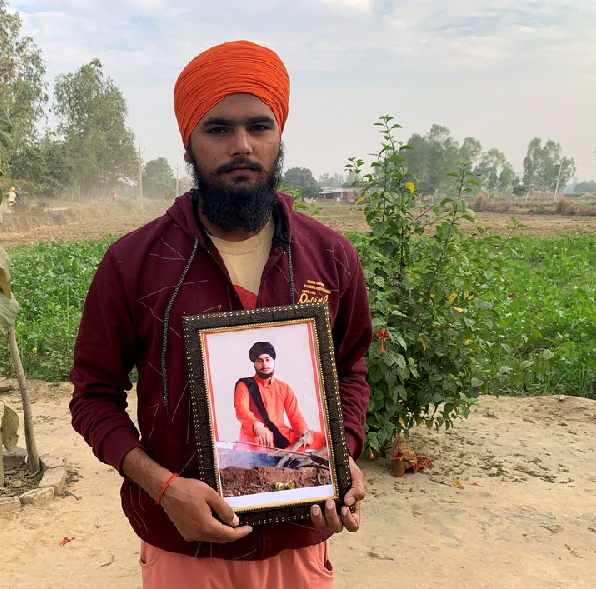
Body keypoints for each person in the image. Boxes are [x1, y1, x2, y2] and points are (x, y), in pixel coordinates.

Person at [70, 40, 372, 587]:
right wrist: (163, 488)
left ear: (279, 136)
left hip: (298, 543)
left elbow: (350, 371)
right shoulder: (134, 263)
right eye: (218, 129)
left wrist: (341, 454)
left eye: (259, 127)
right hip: (185, 547)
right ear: (188, 143)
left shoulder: (330, 256)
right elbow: (93, 399)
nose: (241, 145)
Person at [234, 341, 323, 452]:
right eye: (259, 361)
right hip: (257, 435)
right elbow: (241, 410)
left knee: (323, 439)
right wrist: (257, 426)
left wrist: (304, 432)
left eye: (267, 360)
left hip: (282, 434)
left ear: (274, 361)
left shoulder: (284, 388)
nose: (264, 364)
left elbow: (295, 416)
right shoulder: (245, 385)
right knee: (261, 451)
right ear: (254, 364)